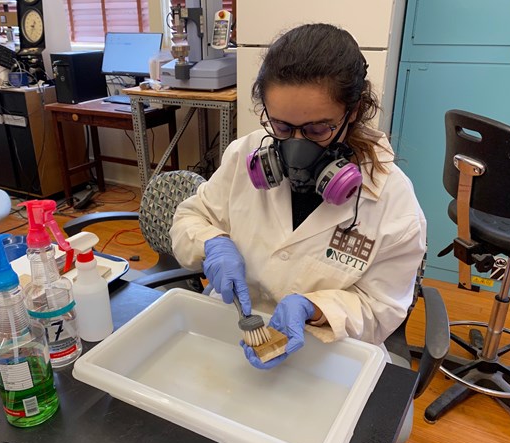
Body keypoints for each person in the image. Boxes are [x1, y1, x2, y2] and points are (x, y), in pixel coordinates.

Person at [170, 23, 427, 369]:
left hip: (326, 354)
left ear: (352, 112)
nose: (295, 146)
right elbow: (191, 217)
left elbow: (382, 306)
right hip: (229, 333)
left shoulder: (392, 201)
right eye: (282, 127)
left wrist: (317, 308)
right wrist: (211, 242)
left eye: (317, 130)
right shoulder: (243, 155)